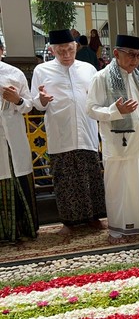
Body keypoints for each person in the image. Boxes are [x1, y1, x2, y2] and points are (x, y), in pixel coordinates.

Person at [87, 35, 139, 244]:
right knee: (119, 187)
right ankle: (117, 231)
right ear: (116, 53)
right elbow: (91, 109)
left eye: (138, 55)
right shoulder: (101, 78)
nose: (135, 60)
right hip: (118, 144)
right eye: (130, 54)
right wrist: (115, 110)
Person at [31, 29, 106, 235]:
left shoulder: (89, 69)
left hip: (87, 129)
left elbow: (96, 97)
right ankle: (69, 222)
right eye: (61, 51)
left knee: (90, 176)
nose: (66, 55)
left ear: (76, 48)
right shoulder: (42, 71)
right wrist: (43, 100)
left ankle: (94, 218)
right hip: (60, 132)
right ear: (53, 50)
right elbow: (36, 102)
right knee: (65, 179)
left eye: (70, 50)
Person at [0, 37, 39, 242]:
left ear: (2, 51)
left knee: (18, 175)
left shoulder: (13, 74)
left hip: (13, 133)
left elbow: (29, 105)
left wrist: (17, 100)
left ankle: (25, 229)